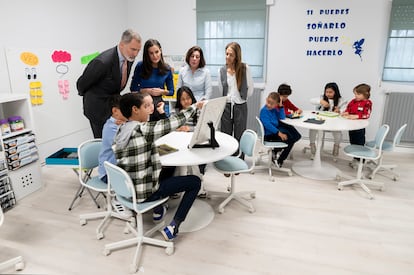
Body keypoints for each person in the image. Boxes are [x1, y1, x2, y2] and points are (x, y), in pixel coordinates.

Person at [113, 92, 204, 241]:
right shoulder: (142, 130)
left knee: (167, 168)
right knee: (195, 182)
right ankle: (174, 226)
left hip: (127, 190)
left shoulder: (121, 130)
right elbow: (171, 123)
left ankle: (158, 208)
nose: (150, 109)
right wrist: (195, 106)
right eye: (146, 106)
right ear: (135, 109)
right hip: (145, 193)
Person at [77, 29, 142, 138]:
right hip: (98, 109)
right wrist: (96, 96)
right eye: (133, 49)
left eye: (138, 50)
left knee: (116, 142)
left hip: (113, 106)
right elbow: (81, 85)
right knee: (103, 144)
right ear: (122, 45)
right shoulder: (103, 62)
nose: (135, 54)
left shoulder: (128, 58)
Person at [97, 95, 131, 217]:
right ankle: (117, 198)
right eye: (124, 109)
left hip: (120, 169)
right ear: (115, 111)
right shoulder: (111, 128)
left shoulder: (123, 124)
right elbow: (127, 146)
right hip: (109, 174)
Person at [218, 42, 254, 157]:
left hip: (240, 106)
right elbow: (221, 89)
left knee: (240, 135)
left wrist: (242, 97)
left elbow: (251, 88)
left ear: (237, 57)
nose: (227, 57)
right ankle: (226, 160)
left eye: (231, 55)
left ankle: (239, 160)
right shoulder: (222, 70)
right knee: (226, 135)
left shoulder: (244, 68)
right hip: (227, 106)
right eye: (226, 54)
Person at [130, 39, 174, 121]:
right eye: (151, 53)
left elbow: (171, 92)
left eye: (156, 52)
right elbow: (133, 88)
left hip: (159, 105)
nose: (154, 56)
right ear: (147, 54)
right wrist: (146, 91)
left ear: (160, 51)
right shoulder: (140, 66)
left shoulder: (167, 68)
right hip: (142, 105)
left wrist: (161, 91)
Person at [260, 92, 300, 168]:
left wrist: (281, 107)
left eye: (272, 104)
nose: (269, 105)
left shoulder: (274, 109)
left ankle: (275, 151)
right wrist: (279, 133)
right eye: (268, 102)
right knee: (290, 140)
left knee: (296, 136)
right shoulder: (264, 111)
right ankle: (280, 160)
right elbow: (267, 125)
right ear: (266, 100)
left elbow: (282, 117)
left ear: (277, 104)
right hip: (269, 135)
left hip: (275, 131)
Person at [309, 82, 344, 158]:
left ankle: (336, 146)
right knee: (312, 128)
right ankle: (312, 145)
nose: (328, 94)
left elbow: (345, 109)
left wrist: (339, 111)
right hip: (321, 121)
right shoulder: (322, 98)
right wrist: (320, 101)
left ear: (336, 92)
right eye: (326, 92)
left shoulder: (340, 100)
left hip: (333, 123)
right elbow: (311, 100)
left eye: (330, 92)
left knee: (338, 132)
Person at [341, 83, 372, 164]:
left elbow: (367, 115)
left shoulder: (367, 103)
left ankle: (361, 160)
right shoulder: (353, 101)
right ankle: (355, 158)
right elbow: (348, 109)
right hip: (351, 126)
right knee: (353, 142)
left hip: (359, 127)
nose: (356, 96)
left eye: (358, 94)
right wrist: (346, 112)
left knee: (359, 143)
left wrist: (356, 116)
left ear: (365, 94)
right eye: (355, 94)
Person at [277, 83, 302, 161]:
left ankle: (277, 150)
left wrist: (297, 111)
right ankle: (280, 159)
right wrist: (290, 113)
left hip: (286, 123)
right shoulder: (274, 101)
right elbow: (281, 115)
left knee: (297, 136)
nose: (285, 98)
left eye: (287, 96)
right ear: (279, 94)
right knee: (291, 137)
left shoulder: (286, 101)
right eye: (284, 96)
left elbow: (295, 108)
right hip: (277, 125)